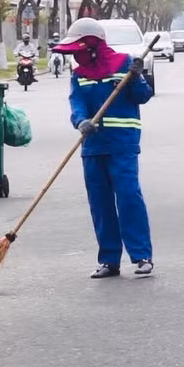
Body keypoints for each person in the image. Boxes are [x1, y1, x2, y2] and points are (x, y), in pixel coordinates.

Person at [53, 18, 155, 279]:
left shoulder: (124, 64)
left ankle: (142, 255)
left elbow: (142, 96)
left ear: (93, 46)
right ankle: (109, 260)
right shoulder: (79, 75)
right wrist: (81, 121)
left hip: (123, 143)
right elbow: (76, 104)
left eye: (79, 50)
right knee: (100, 203)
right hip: (93, 146)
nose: (76, 56)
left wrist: (136, 77)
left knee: (128, 195)